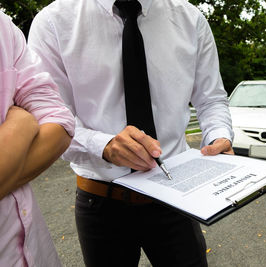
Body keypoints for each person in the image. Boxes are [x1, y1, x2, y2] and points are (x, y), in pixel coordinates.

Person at [29, 0, 234, 266]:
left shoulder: (190, 18)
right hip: (102, 200)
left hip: (176, 194)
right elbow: (49, 120)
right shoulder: (54, 22)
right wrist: (103, 145)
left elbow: (211, 99)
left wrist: (218, 136)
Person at [0, 11, 75, 266]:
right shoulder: (52, 20)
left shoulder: (3, 27)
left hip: (38, 253)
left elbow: (59, 119)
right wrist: (21, 123)